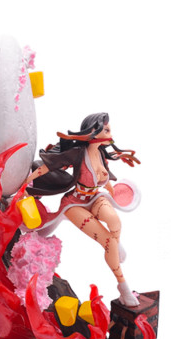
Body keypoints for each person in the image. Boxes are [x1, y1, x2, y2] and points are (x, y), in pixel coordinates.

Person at [25, 112, 141, 307]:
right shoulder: (78, 153)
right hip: (75, 203)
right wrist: (26, 183)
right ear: (94, 131)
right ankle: (123, 288)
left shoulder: (101, 153)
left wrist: (114, 193)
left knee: (115, 222)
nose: (110, 134)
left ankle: (115, 244)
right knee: (107, 242)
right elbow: (47, 167)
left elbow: (104, 180)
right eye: (106, 130)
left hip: (95, 197)